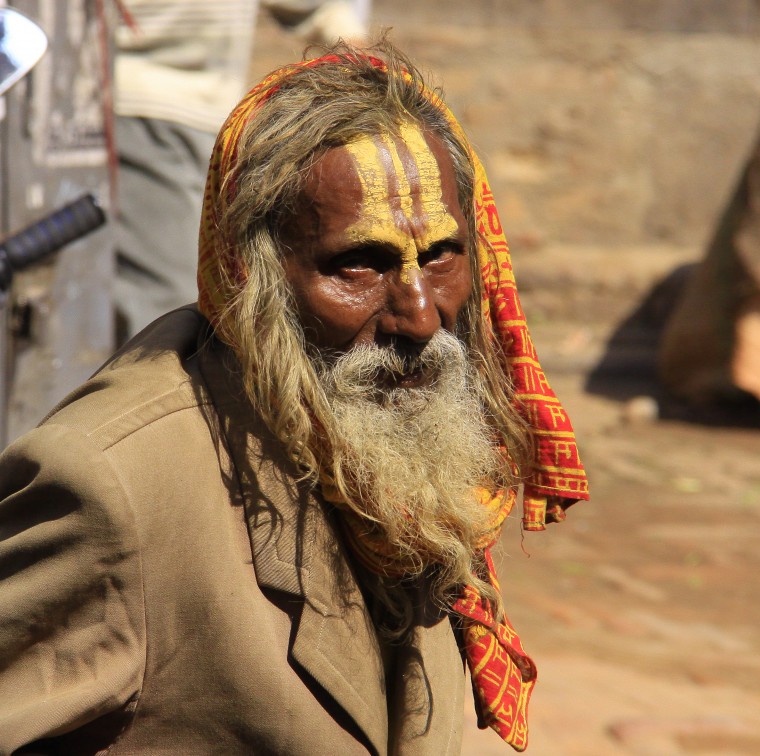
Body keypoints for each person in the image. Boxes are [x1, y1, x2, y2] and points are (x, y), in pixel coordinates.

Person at [0, 40, 588, 753]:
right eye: (360, 265)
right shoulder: (112, 487)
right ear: (254, 277)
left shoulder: (429, 471)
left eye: (439, 256)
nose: (421, 317)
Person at [114, 0, 372, 342]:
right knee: (172, 318)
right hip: (140, 105)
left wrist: (361, 62)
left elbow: (315, 12)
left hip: (208, 112)